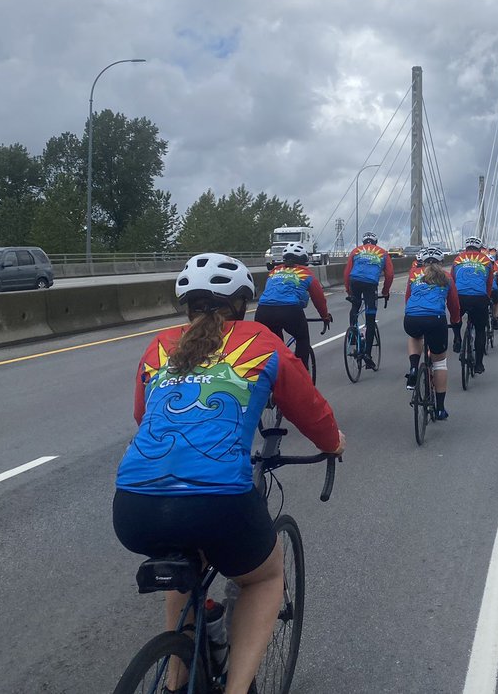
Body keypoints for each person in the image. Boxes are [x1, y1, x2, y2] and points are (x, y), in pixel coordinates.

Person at [113, 253, 345, 694]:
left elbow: (144, 416)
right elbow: (309, 409)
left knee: (186, 561)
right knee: (264, 576)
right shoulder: (259, 340)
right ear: (241, 304)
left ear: (187, 307)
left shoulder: (159, 345)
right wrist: (332, 443)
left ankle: (175, 681)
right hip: (218, 500)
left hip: (132, 506)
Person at [255, 243, 332, 376]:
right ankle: (301, 377)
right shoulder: (307, 274)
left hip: (263, 311)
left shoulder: (273, 272)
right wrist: (325, 316)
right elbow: (318, 298)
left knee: (275, 347)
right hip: (289, 311)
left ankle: (272, 373)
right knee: (302, 339)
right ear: (304, 261)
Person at [403, 246, 461, 419]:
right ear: (441, 262)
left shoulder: (413, 274)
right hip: (436, 319)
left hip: (412, 318)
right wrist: (456, 322)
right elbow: (453, 304)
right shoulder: (447, 277)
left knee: (415, 337)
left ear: (422, 261)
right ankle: (440, 409)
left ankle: (413, 368)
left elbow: (408, 298)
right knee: (439, 363)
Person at [343, 231, 394, 370]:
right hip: (371, 284)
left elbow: (347, 273)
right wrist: (385, 291)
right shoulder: (383, 253)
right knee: (370, 320)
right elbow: (389, 275)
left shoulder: (356, 251)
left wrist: (348, 290)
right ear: (375, 242)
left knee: (355, 306)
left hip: (355, 281)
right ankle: (367, 354)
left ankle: (353, 335)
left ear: (364, 242)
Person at [451, 236, 498, 374]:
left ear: (466, 248)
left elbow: (452, 280)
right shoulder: (486, 260)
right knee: (479, 330)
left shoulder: (457, 259)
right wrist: (487, 297)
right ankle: (478, 364)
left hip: (460, 296)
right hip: (479, 298)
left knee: (455, 317)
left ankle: (457, 338)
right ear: (480, 248)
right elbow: (489, 283)